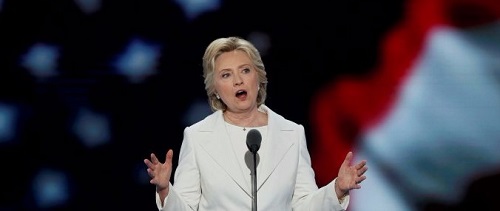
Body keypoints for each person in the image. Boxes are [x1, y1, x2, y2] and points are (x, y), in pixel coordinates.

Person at [143, 36, 368, 211]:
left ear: (258, 79)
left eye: (245, 70)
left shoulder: (291, 133)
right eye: (226, 75)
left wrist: (336, 189)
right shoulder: (198, 136)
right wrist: (165, 190)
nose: (238, 80)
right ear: (215, 90)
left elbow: (304, 205)